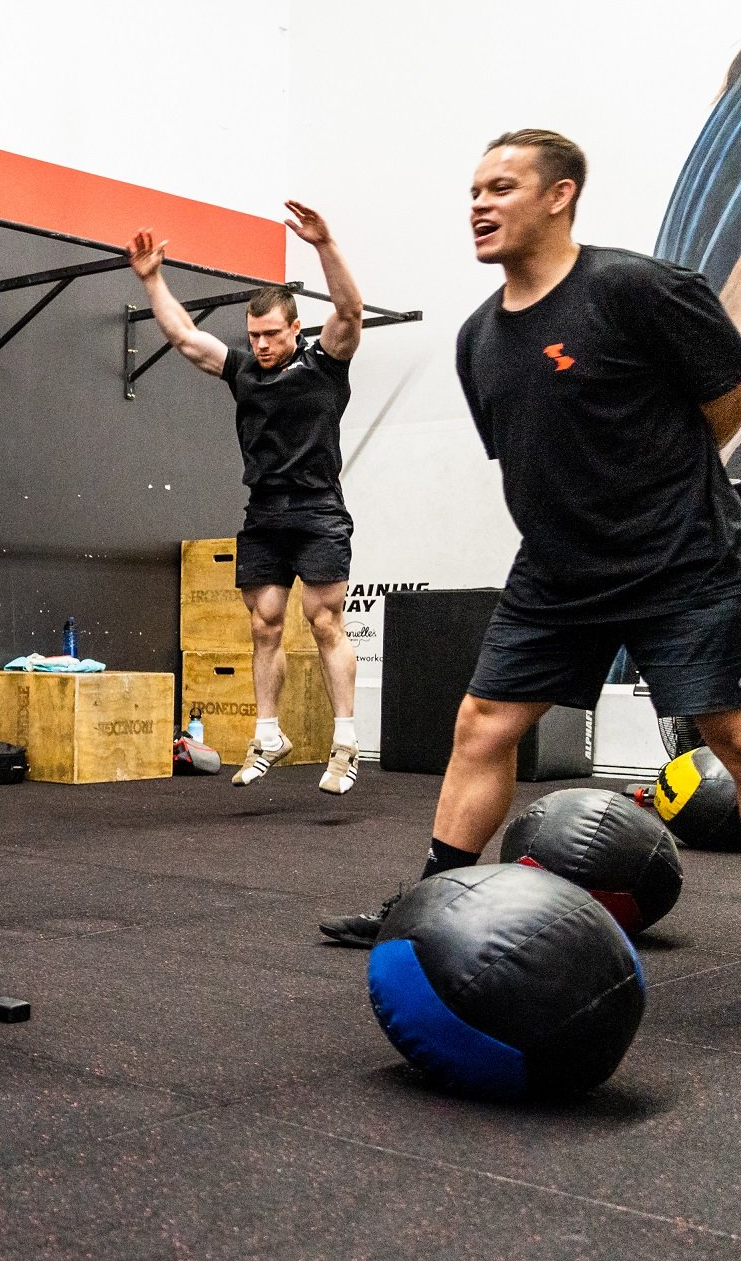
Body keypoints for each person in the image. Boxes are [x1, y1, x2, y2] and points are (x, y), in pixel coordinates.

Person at [321, 129, 741, 947]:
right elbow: (531, 451)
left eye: (502, 188)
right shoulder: (479, 337)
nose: (479, 204)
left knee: (728, 730)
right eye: (475, 191)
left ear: (560, 196)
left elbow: (727, 397)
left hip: (680, 557)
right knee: (482, 722)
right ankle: (432, 906)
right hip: (556, 572)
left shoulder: (636, 288)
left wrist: (665, 480)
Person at [129, 203, 366, 794]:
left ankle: (346, 742)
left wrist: (324, 242)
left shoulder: (324, 366)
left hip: (317, 511)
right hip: (263, 513)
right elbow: (184, 338)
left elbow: (350, 310)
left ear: (294, 331)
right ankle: (268, 734)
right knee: (264, 625)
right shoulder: (243, 372)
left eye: (270, 335)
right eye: (253, 335)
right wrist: (153, 279)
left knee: (323, 620)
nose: (259, 345)